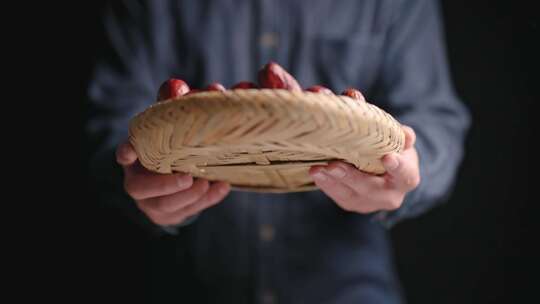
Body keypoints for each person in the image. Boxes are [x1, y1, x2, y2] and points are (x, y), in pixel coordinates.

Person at [87, 1, 470, 303]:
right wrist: (133, 176)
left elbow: (436, 117)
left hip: (344, 289)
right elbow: (109, 122)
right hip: (185, 285)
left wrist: (407, 168)